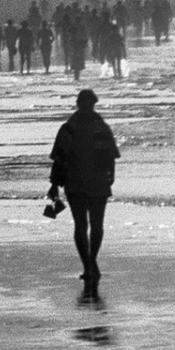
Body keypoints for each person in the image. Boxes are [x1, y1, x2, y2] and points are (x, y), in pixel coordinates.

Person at [49, 88, 121, 291]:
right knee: (84, 225)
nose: (89, 108)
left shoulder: (73, 127)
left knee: (94, 226)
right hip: (80, 182)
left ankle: (90, 262)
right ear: (81, 105)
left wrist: (111, 173)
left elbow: (110, 155)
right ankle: (89, 264)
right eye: (87, 105)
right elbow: (60, 158)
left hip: (93, 181)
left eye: (90, 105)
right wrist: (54, 183)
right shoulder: (74, 128)